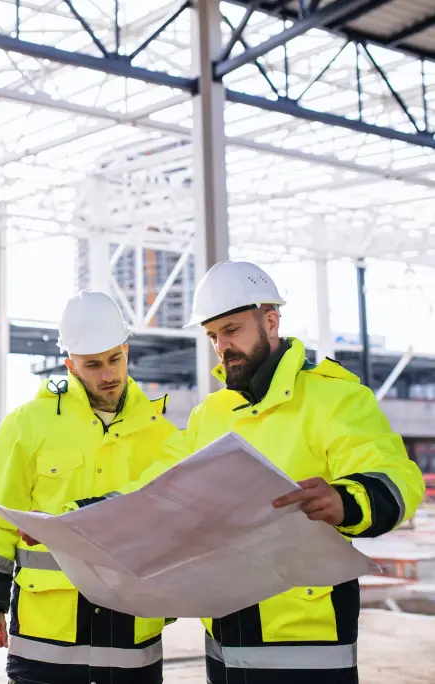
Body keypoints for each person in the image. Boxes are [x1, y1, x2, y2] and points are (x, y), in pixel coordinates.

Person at [70, 260, 425, 684]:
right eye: (213, 336)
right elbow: (154, 488)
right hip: (224, 635)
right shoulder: (211, 414)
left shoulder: (335, 398)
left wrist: (344, 499)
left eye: (232, 330)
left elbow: (395, 476)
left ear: (271, 321)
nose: (222, 346)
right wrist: (79, 517)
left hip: (306, 638)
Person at [0, 290, 182, 684]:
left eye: (115, 359)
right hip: (47, 636)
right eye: (93, 365)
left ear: (126, 350)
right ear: (70, 365)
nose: (108, 374)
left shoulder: (161, 433)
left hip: (132, 635)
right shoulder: (27, 424)